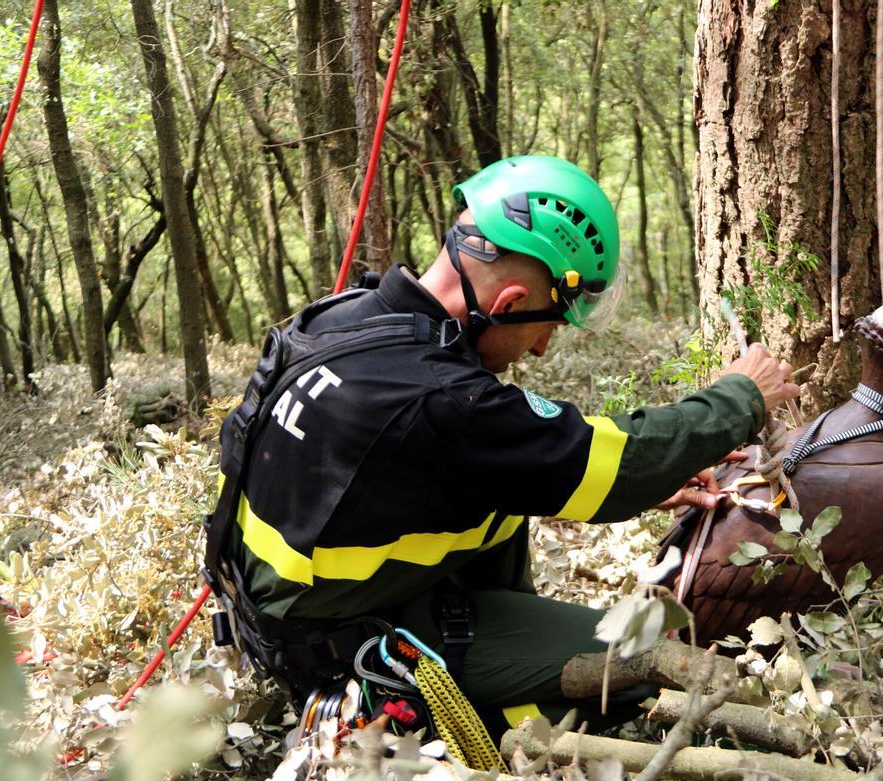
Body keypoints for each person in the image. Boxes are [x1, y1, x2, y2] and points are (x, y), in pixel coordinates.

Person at [209, 154, 797, 738]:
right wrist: (741, 397)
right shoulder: (439, 399)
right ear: (510, 302)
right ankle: (467, 725)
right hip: (355, 650)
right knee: (637, 663)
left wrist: (653, 478)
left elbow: (488, 460)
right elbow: (603, 457)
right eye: (548, 325)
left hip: (289, 622)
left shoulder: (342, 319)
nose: (541, 349)